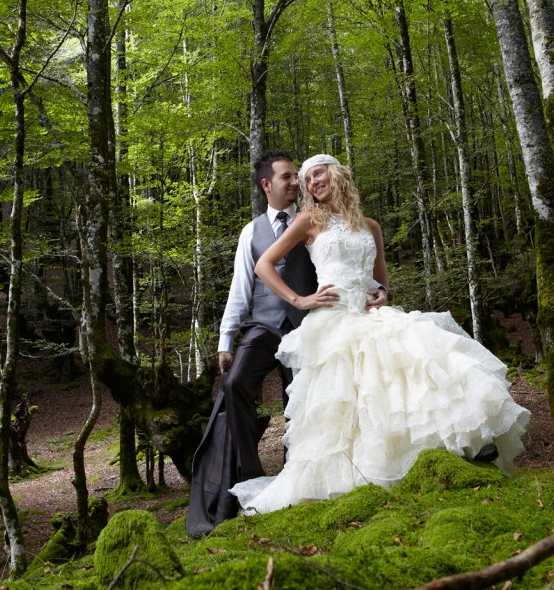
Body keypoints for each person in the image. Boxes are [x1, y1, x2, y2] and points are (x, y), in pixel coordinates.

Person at [228, 154, 530, 515]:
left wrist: (383, 293)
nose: (311, 183)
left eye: (317, 174)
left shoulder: (370, 226)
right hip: (333, 320)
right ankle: (351, 476)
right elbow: (263, 265)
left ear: (337, 173)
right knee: (345, 399)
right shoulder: (310, 220)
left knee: (421, 359)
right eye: (306, 180)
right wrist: (299, 299)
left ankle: (446, 450)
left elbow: (381, 278)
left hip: (369, 314)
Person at [187, 151, 383, 536]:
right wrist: (226, 340)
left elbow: (355, 270)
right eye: (289, 178)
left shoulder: (320, 219)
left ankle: (300, 469)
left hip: (311, 322)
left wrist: (372, 293)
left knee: (306, 399)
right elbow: (240, 287)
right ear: (267, 185)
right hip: (265, 324)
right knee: (236, 383)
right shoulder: (253, 231)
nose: (298, 183)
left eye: (301, 177)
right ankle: (247, 470)